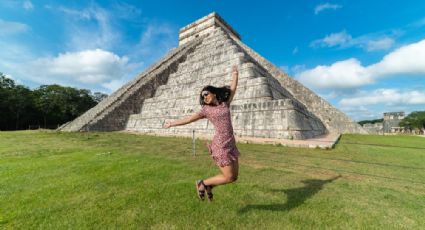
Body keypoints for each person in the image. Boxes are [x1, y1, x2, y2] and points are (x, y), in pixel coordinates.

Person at [163, 65, 240, 201]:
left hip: (231, 144)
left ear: (213, 93)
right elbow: (189, 119)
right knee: (228, 177)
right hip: (220, 145)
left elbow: (232, 89)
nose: (204, 97)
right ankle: (202, 183)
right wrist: (171, 123)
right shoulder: (206, 110)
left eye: (206, 94)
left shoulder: (224, 103)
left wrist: (235, 74)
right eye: (202, 96)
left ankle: (208, 186)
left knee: (233, 177)